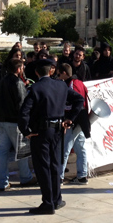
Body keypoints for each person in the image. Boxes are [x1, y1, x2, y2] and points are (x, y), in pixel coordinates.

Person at [18, 59, 84, 215]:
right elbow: (79, 100)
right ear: (52, 71)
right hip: (58, 130)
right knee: (55, 165)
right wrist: (70, 119)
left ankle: (48, 202)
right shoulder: (61, 85)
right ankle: (56, 199)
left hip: (41, 132)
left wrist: (26, 131)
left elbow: (24, 112)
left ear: (36, 72)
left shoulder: (35, 88)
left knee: (43, 167)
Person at [0, 58, 36, 191]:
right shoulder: (17, 82)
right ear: (19, 69)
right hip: (14, 121)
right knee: (22, 151)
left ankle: (2, 182)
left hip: (1, 120)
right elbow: (22, 105)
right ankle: (26, 177)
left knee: (2, 152)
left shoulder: (2, 80)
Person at [57, 64, 90, 184]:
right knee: (80, 148)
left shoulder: (72, 85)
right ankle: (82, 175)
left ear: (65, 73)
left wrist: (69, 119)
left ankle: (59, 176)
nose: (58, 76)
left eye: (59, 74)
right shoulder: (79, 83)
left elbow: (77, 104)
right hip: (80, 121)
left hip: (73, 121)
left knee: (64, 149)